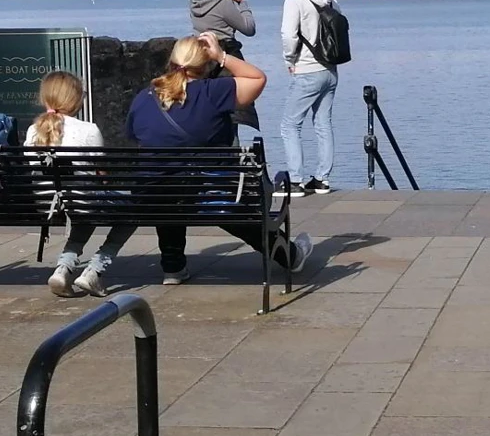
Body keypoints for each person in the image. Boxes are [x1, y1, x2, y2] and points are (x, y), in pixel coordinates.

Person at [62, 34, 311, 296]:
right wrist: (222, 56)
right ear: (205, 65)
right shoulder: (214, 92)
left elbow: (136, 138)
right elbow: (258, 79)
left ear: (171, 62)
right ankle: (290, 255)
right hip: (210, 195)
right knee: (217, 197)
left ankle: (173, 267)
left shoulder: (145, 97)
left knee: (167, 182)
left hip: (156, 197)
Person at [24, 72, 112, 297]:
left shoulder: (33, 130)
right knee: (131, 209)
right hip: (80, 201)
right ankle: (93, 271)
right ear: (76, 99)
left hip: (46, 203)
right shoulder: (88, 129)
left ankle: (63, 269)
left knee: (84, 202)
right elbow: (102, 172)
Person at [278, 0, 338, 195]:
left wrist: (289, 61)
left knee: (290, 125)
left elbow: (288, 35)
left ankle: (295, 181)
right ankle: (322, 180)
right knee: (323, 123)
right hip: (330, 70)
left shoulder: (295, 0)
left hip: (307, 69)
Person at [189, 0, 259, 131]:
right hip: (224, 58)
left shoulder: (194, 1)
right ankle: (231, 155)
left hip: (201, 58)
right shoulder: (223, 3)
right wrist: (243, 4)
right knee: (230, 115)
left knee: (209, 113)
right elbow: (249, 29)